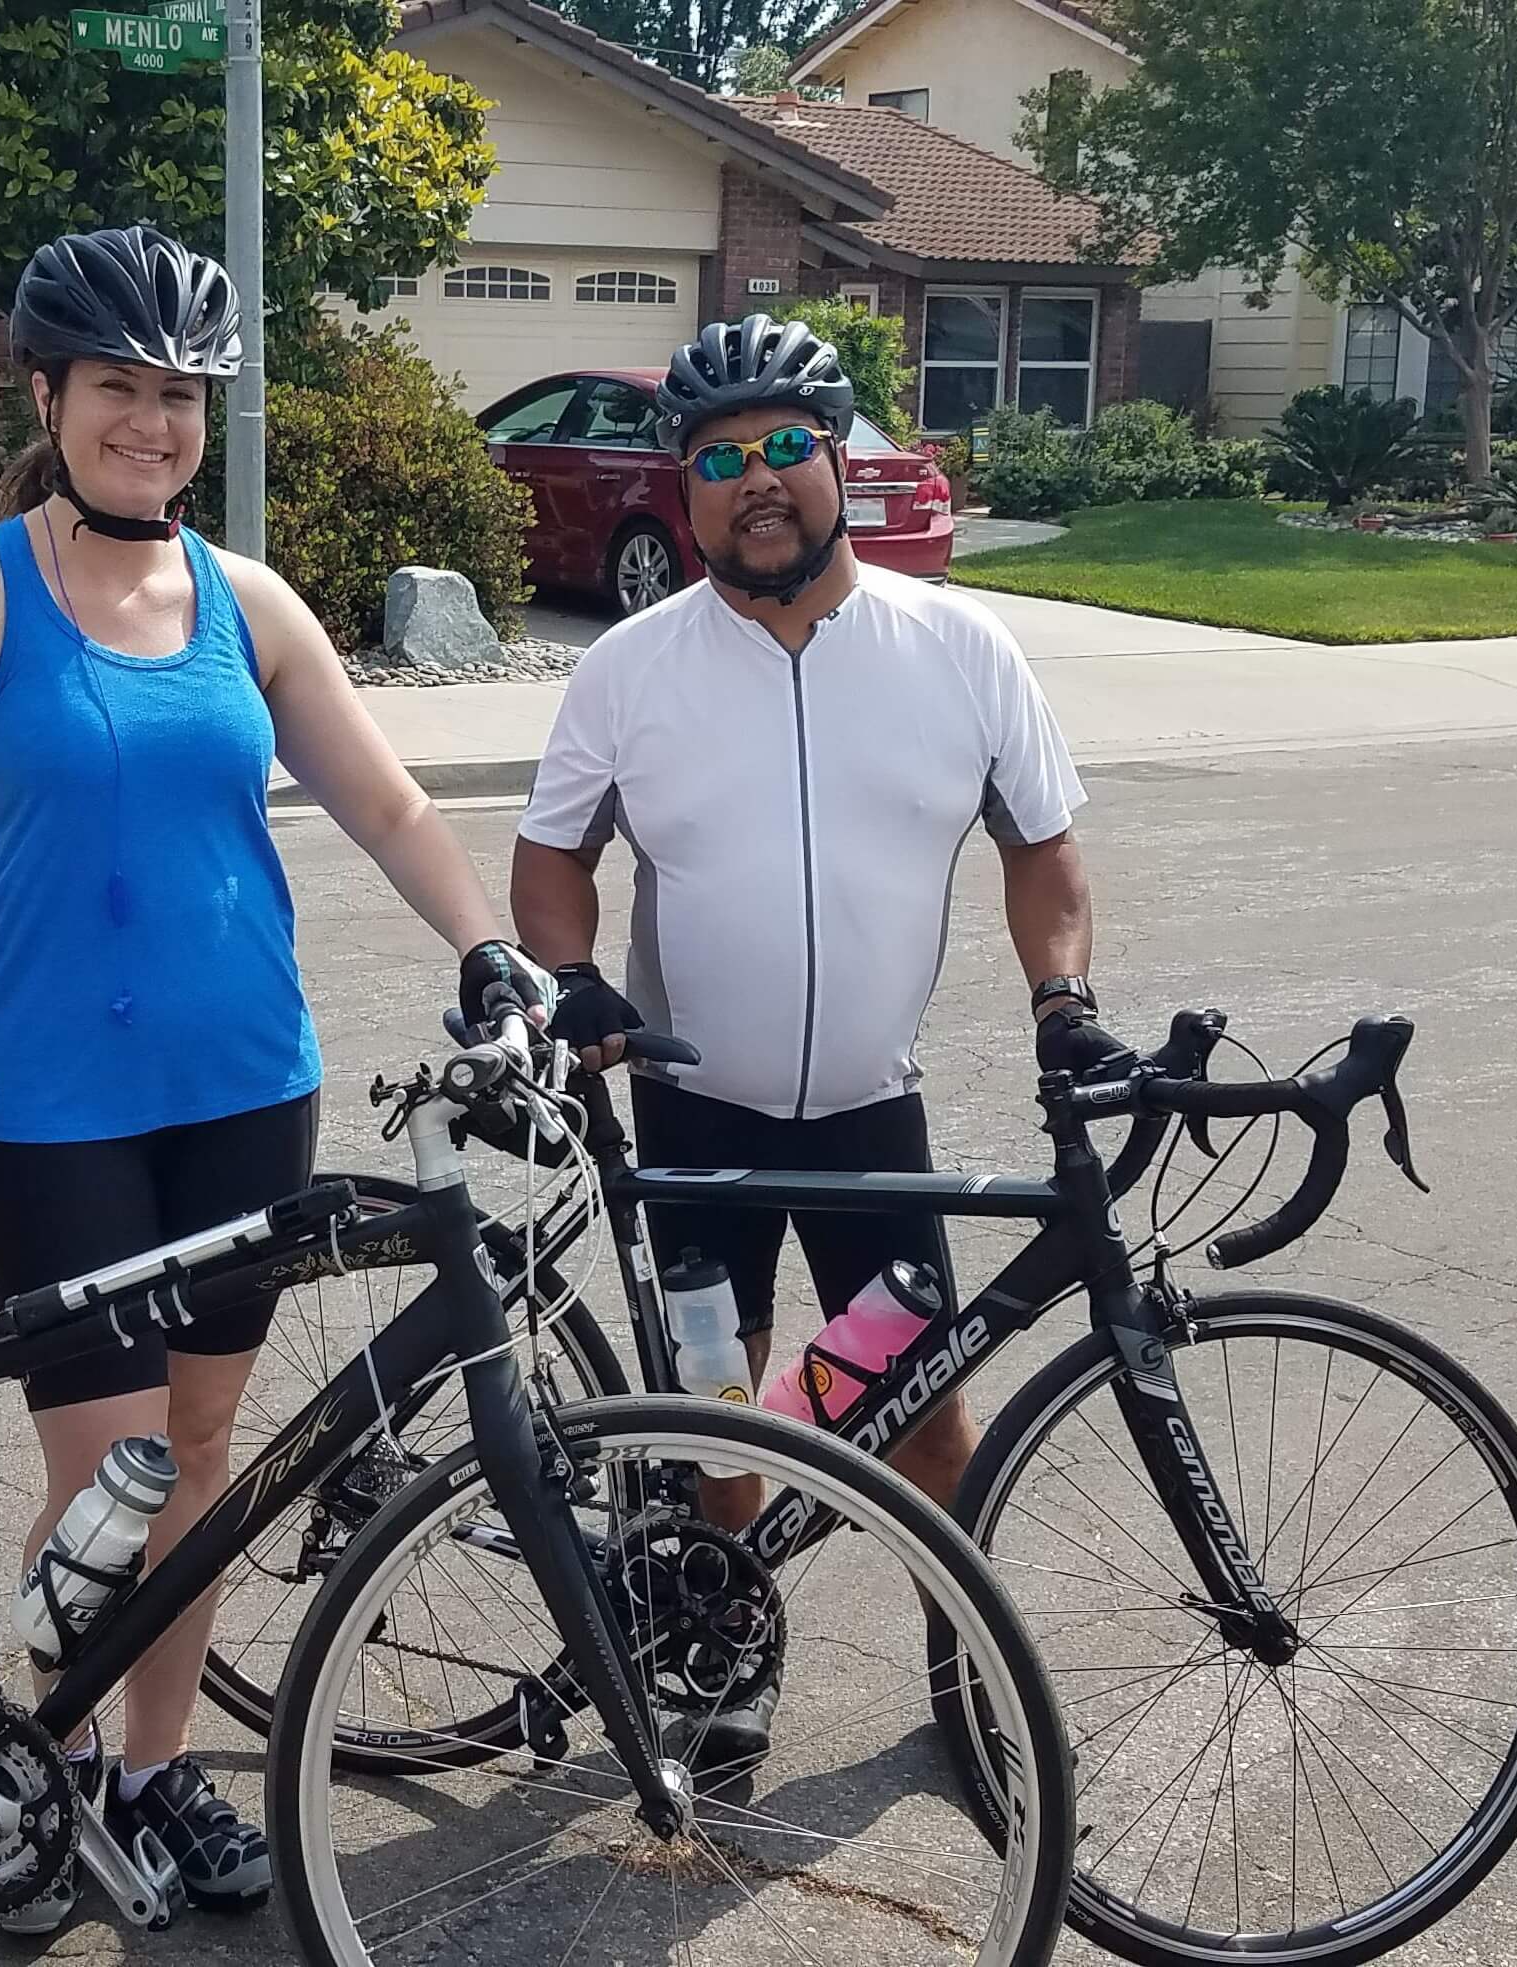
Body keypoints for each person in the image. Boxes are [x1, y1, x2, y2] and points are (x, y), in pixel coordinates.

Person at [0, 223, 549, 1928]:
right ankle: (40, 1781)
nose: (152, 423)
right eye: (117, 388)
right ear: (46, 395)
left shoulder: (246, 603)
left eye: (180, 396)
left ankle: (150, 1769)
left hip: (243, 1088)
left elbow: (390, 805)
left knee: (199, 1454)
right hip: (54, 1105)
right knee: (108, 1472)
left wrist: (481, 945)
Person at [510, 312, 1125, 1775]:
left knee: (921, 1411)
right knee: (723, 1407)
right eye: (719, 460)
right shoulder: (629, 669)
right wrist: (572, 976)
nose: (756, 482)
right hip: (693, 1116)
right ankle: (728, 1653)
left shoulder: (957, 647)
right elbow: (551, 861)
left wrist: (1061, 1005)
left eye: (787, 446)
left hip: (865, 1114)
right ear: (683, 487)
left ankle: (964, 1667)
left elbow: (1041, 849)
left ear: (840, 457)